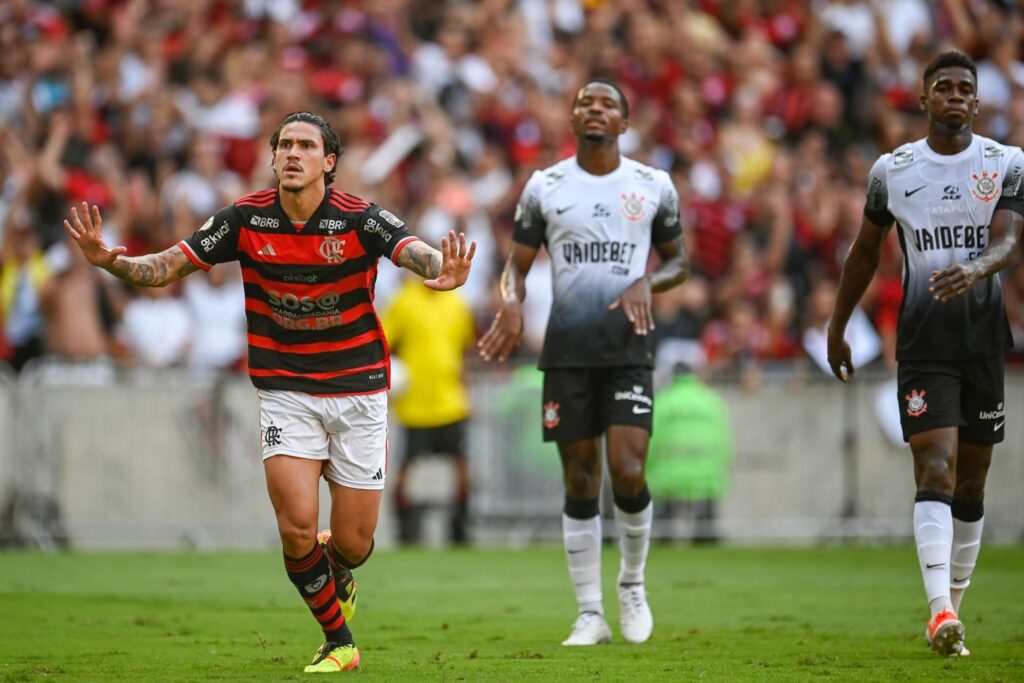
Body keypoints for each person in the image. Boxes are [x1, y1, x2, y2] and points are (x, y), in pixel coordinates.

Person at [64, 111, 476, 673]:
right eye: (284, 144)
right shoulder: (244, 219)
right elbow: (166, 267)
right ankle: (339, 641)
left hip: (358, 391)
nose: (292, 153)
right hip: (286, 389)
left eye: (306, 145)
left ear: (328, 163)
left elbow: (413, 250)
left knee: (353, 543)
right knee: (295, 526)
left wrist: (442, 268)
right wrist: (113, 262)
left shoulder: (360, 219)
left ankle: (340, 569)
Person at [827, 52, 1024, 658]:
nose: (957, 96)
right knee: (934, 466)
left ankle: (952, 607)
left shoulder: (1005, 162)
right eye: (944, 87)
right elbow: (864, 252)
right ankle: (939, 610)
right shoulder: (893, 170)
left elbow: (1011, 239)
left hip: (983, 343)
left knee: (972, 481)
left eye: (966, 88)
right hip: (922, 345)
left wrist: (977, 267)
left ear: (977, 100)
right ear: (924, 99)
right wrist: (837, 325)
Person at [479, 79, 689, 646]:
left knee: (627, 471)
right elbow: (514, 265)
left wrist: (649, 279)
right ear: (573, 119)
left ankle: (632, 584)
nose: (595, 110)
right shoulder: (545, 186)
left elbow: (680, 263)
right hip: (567, 354)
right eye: (585, 103)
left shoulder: (652, 185)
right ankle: (590, 613)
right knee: (578, 478)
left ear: (625, 122)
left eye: (608, 104)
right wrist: (511, 303)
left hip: (628, 351)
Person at [380, 273, 475, 545]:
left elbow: (463, 352)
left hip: (450, 402)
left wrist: (467, 395)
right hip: (414, 405)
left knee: (462, 467)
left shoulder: (457, 303)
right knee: (404, 469)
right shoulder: (403, 301)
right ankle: (404, 528)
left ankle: (461, 528)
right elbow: (384, 342)